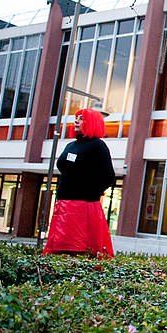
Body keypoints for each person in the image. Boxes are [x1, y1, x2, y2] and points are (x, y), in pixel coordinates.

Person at [43, 108, 115, 258]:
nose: (76, 121)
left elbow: (108, 176)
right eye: (76, 118)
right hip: (64, 204)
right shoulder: (71, 145)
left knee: (78, 249)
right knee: (59, 249)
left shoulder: (98, 146)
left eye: (81, 118)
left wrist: (92, 193)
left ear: (92, 122)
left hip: (82, 206)